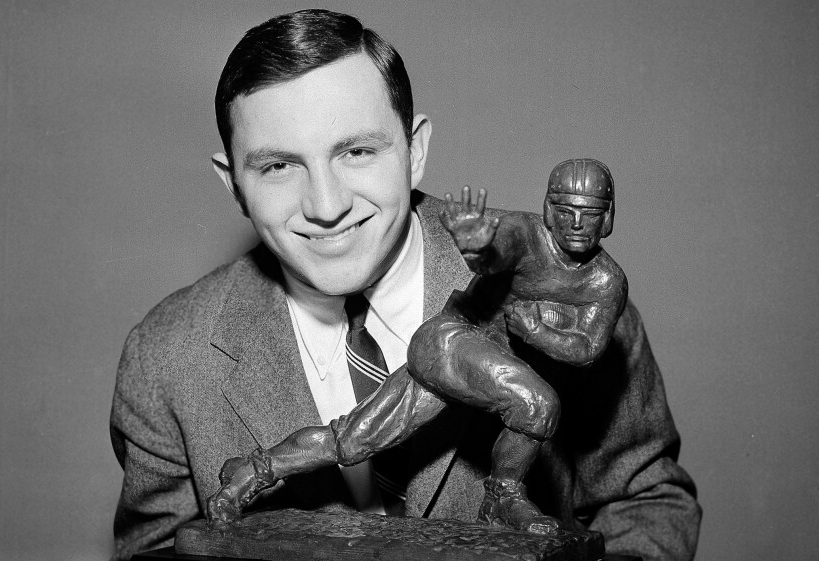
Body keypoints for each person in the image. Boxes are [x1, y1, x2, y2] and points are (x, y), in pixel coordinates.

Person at [110, 9, 701, 561]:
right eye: (277, 166)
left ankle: (265, 468)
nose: (326, 205)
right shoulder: (165, 358)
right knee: (413, 429)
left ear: (414, 150)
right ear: (233, 182)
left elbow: (646, 503)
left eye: (358, 151)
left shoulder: (576, 285)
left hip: (448, 348)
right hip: (446, 350)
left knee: (369, 437)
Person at [206, 159, 628, 537]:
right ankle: (502, 496)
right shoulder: (526, 233)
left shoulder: (605, 282)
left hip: (464, 368)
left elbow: (587, 349)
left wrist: (536, 333)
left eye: (588, 213)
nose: (575, 223)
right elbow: (500, 252)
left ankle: (252, 470)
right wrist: (478, 249)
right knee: (538, 405)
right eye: (564, 210)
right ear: (548, 211)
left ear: (607, 218)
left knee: (353, 441)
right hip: (449, 341)